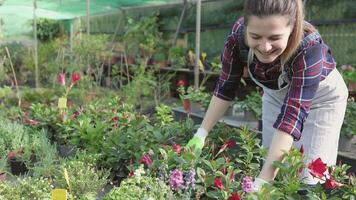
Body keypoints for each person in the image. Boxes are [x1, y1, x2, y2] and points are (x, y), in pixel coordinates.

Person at [187, 0, 348, 191]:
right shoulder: (237, 37)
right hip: (276, 97)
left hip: (322, 101)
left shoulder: (310, 48)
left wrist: (263, 182)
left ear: (292, 28)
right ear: (246, 28)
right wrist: (201, 134)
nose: (264, 47)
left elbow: (292, 115)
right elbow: (225, 87)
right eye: (255, 36)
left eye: (274, 38)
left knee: (309, 179)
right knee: (272, 165)